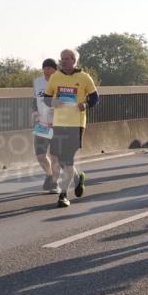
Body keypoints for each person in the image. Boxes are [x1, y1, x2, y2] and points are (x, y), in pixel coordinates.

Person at [44, 49, 99, 208]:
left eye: (67, 59)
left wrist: (86, 104)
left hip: (76, 124)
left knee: (68, 160)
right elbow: (47, 98)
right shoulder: (55, 77)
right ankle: (78, 176)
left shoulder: (84, 77)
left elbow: (95, 97)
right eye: (62, 59)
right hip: (59, 123)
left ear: (74, 60)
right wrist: (53, 102)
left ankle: (63, 195)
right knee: (60, 160)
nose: (63, 61)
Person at [32, 58, 59, 193]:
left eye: (50, 67)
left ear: (55, 69)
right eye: (45, 67)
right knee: (40, 155)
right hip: (42, 123)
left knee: (55, 156)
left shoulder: (61, 82)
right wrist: (35, 112)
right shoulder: (37, 82)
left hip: (57, 124)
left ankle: (54, 183)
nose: (47, 70)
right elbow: (34, 99)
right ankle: (49, 176)